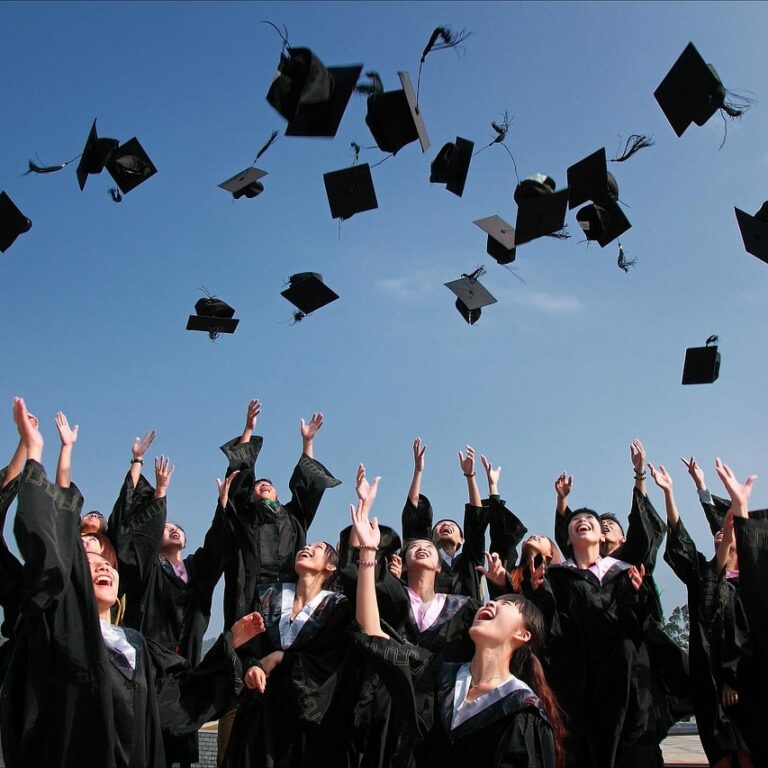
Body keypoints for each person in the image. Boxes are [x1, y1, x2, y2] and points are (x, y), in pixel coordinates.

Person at [1, 397, 264, 768]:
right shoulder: (55, 627)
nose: (102, 567)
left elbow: (176, 701)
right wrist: (36, 453)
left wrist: (230, 647)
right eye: (86, 561)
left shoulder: (135, 647)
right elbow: (50, 553)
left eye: (105, 563)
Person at [351, 468, 565, 768]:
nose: (489, 605)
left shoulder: (523, 710)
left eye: (504, 604)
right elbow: (375, 634)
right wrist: (368, 553)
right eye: (493, 601)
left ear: (523, 634)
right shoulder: (440, 677)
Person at [107, 430, 233, 768]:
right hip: (148, 660)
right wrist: (156, 487)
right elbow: (132, 538)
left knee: (178, 742)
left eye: (179, 529)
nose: (173, 529)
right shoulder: (148, 569)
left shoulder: (195, 571)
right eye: (166, 527)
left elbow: (217, 550)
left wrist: (222, 505)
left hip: (184, 660)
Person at [526, 505, 651, 767]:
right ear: (567, 538)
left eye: (589, 519)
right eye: (575, 520)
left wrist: (636, 595)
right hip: (574, 682)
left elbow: (638, 626)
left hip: (619, 678)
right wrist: (539, 595)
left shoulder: (622, 571)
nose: (582, 521)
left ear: (602, 536)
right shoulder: (556, 576)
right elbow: (551, 630)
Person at [650, 460, 753, 768]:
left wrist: (707, 489)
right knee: (720, 753)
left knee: (748, 752)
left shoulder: (753, 581)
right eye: (717, 531)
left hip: (747, 681)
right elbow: (680, 540)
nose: (720, 533)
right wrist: (669, 492)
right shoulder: (703, 576)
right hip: (708, 679)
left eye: (726, 529)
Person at [222, 540, 351, 768]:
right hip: (262, 708)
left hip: (305, 715)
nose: (307, 548)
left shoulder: (337, 607)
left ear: (330, 567)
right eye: (306, 546)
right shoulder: (268, 597)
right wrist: (252, 665)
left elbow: (330, 661)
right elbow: (248, 645)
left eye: (317, 548)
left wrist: (283, 658)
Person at [401, 440, 487, 599]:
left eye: (452, 526)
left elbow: (477, 521)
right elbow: (413, 518)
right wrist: (418, 470)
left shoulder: (468, 562)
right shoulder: (423, 558)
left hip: (464, 621)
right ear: (431, 538)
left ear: (461, 540)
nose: (446, 525)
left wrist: (470, 476)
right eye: (439, 526)